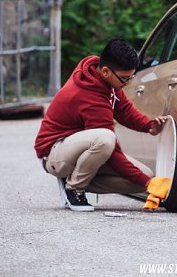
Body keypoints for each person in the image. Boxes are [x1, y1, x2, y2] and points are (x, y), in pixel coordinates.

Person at [34, 38, 167, 211]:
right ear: (105, 71)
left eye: (131, 77)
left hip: (80, 147)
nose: (127, 83)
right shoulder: (89, 95)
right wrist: (148, 183)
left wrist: (149, 126)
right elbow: (111, 151)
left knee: (144, 176)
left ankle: (76, 179)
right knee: (106, 139)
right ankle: (74, 188)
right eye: (124, 78)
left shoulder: (108, 82)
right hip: (54, 153)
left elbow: (125, 111)